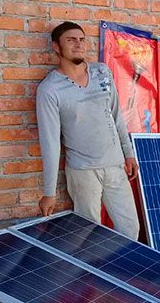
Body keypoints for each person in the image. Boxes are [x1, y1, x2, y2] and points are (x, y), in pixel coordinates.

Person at [36, 21, 140, 240]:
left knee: (130, 230)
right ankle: (91, 275)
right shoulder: (50, 89)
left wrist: (128, 152)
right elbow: (51, 143)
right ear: (56, 47)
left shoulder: (102, 72)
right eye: (71, 40)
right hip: (83, 172)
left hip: (115, 166)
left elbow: (116, 115)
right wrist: (49, 192)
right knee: (87, 234)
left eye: (82, 39)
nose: (78, 44)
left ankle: (117, 274)